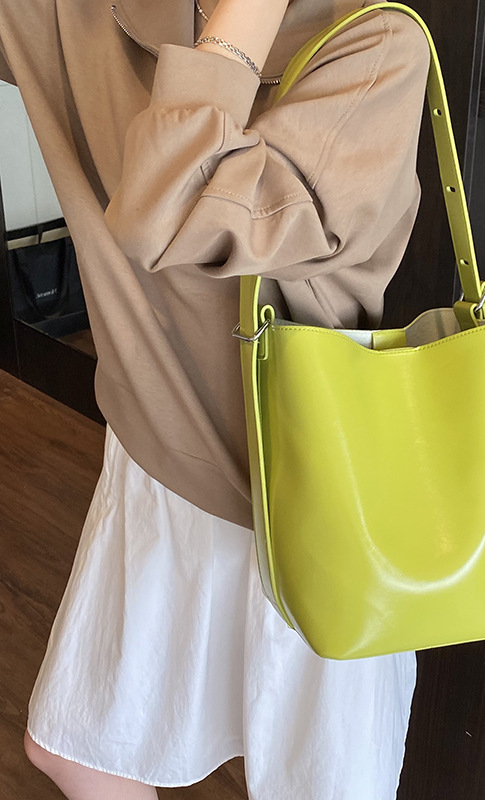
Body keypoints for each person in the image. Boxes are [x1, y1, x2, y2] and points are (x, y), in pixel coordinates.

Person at [0, 0, 430, 797]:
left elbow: (171, 209)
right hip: (156, 459)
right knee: (76, 749)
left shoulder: (374, 43)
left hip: (305, 502)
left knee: (311, 783)